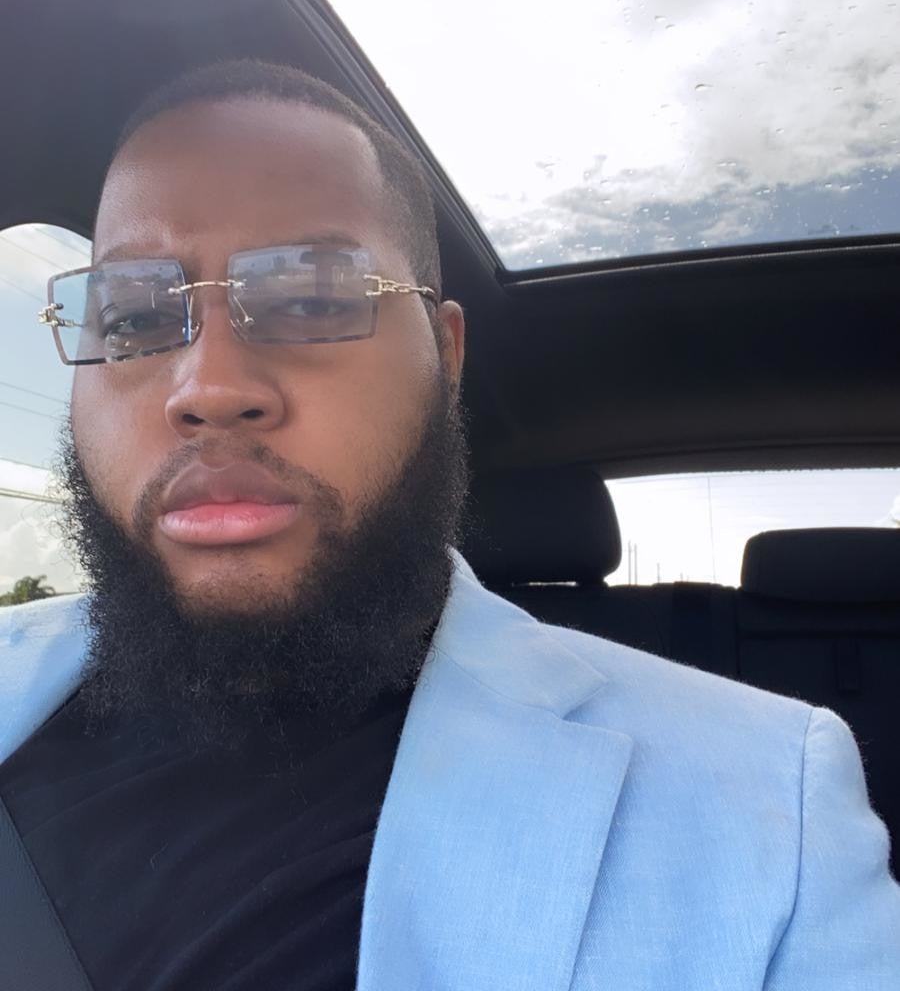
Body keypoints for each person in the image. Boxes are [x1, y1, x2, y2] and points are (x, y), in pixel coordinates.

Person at [1, 60, 897, 990]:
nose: (210, 387)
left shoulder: (763, 804)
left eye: (311, 298)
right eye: (131, 316)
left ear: (445, 351)